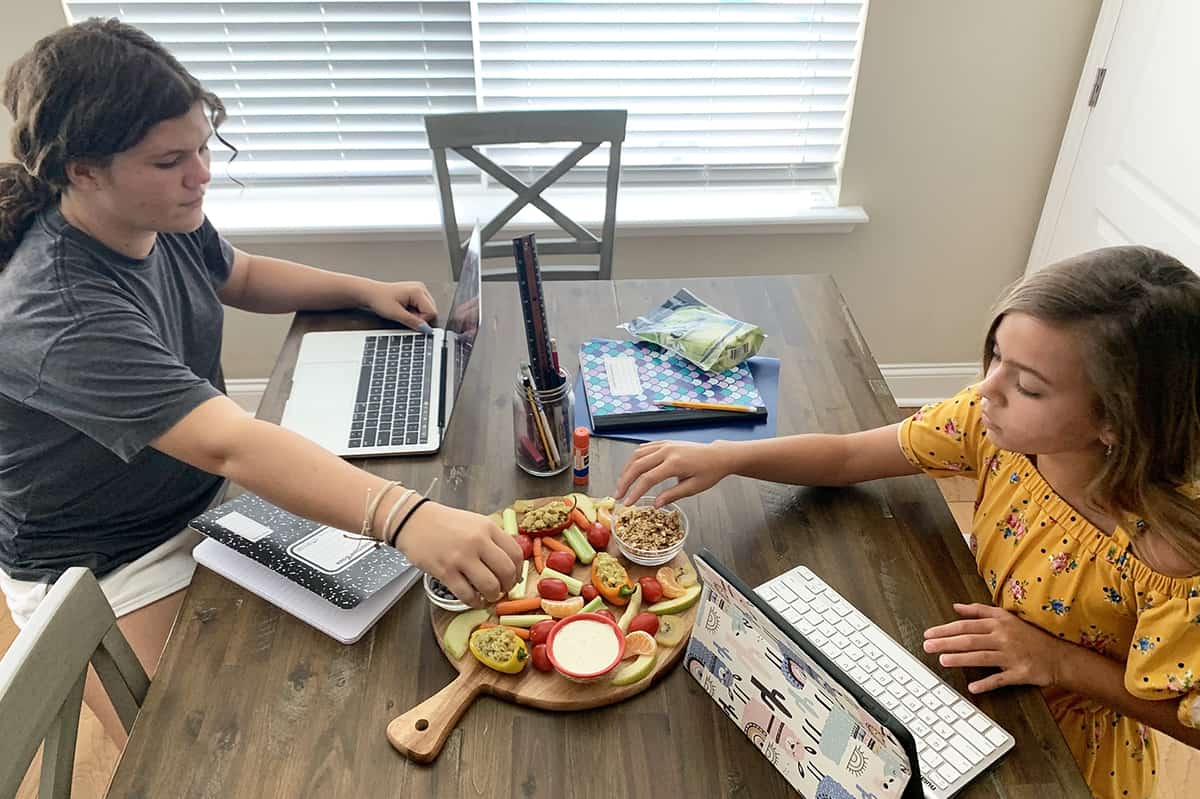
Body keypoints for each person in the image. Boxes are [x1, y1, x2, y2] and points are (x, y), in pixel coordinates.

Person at [0, 19, 521, 744]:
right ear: (84, 171)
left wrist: (360, 289)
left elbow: (236, 274)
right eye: (171, 159)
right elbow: (230, 444)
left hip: (207, 497)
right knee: (215, 741)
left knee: (380, 643)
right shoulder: (56, 309)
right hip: (109, 558)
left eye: (205, 148)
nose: (202, 174)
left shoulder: (156, 214)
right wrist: (406, 517)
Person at [616, 247, 1200, 799]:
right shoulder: (992, 425)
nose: (988, 389)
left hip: (1062, 745)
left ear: (1117, 422)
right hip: (966, 666)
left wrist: (1057, 659)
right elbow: (852, 456)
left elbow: (1191, 721)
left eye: (1026, 386)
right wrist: (729, 456)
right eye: (996, 356)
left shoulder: (1175, 555)